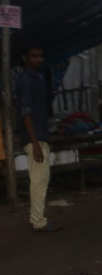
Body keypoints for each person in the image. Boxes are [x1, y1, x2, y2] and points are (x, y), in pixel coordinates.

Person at [17, 44, 61, 232]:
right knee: (39, 180)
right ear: (25, 58)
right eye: (34, 56)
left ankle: (37, 219)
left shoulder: (39, 77)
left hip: (40, 135)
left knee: (40, 179)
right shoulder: (26, 79)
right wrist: (34, 142)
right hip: (35, 137)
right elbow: (25, 112)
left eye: (40, 56)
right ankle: (38, 221)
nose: (38, 59)